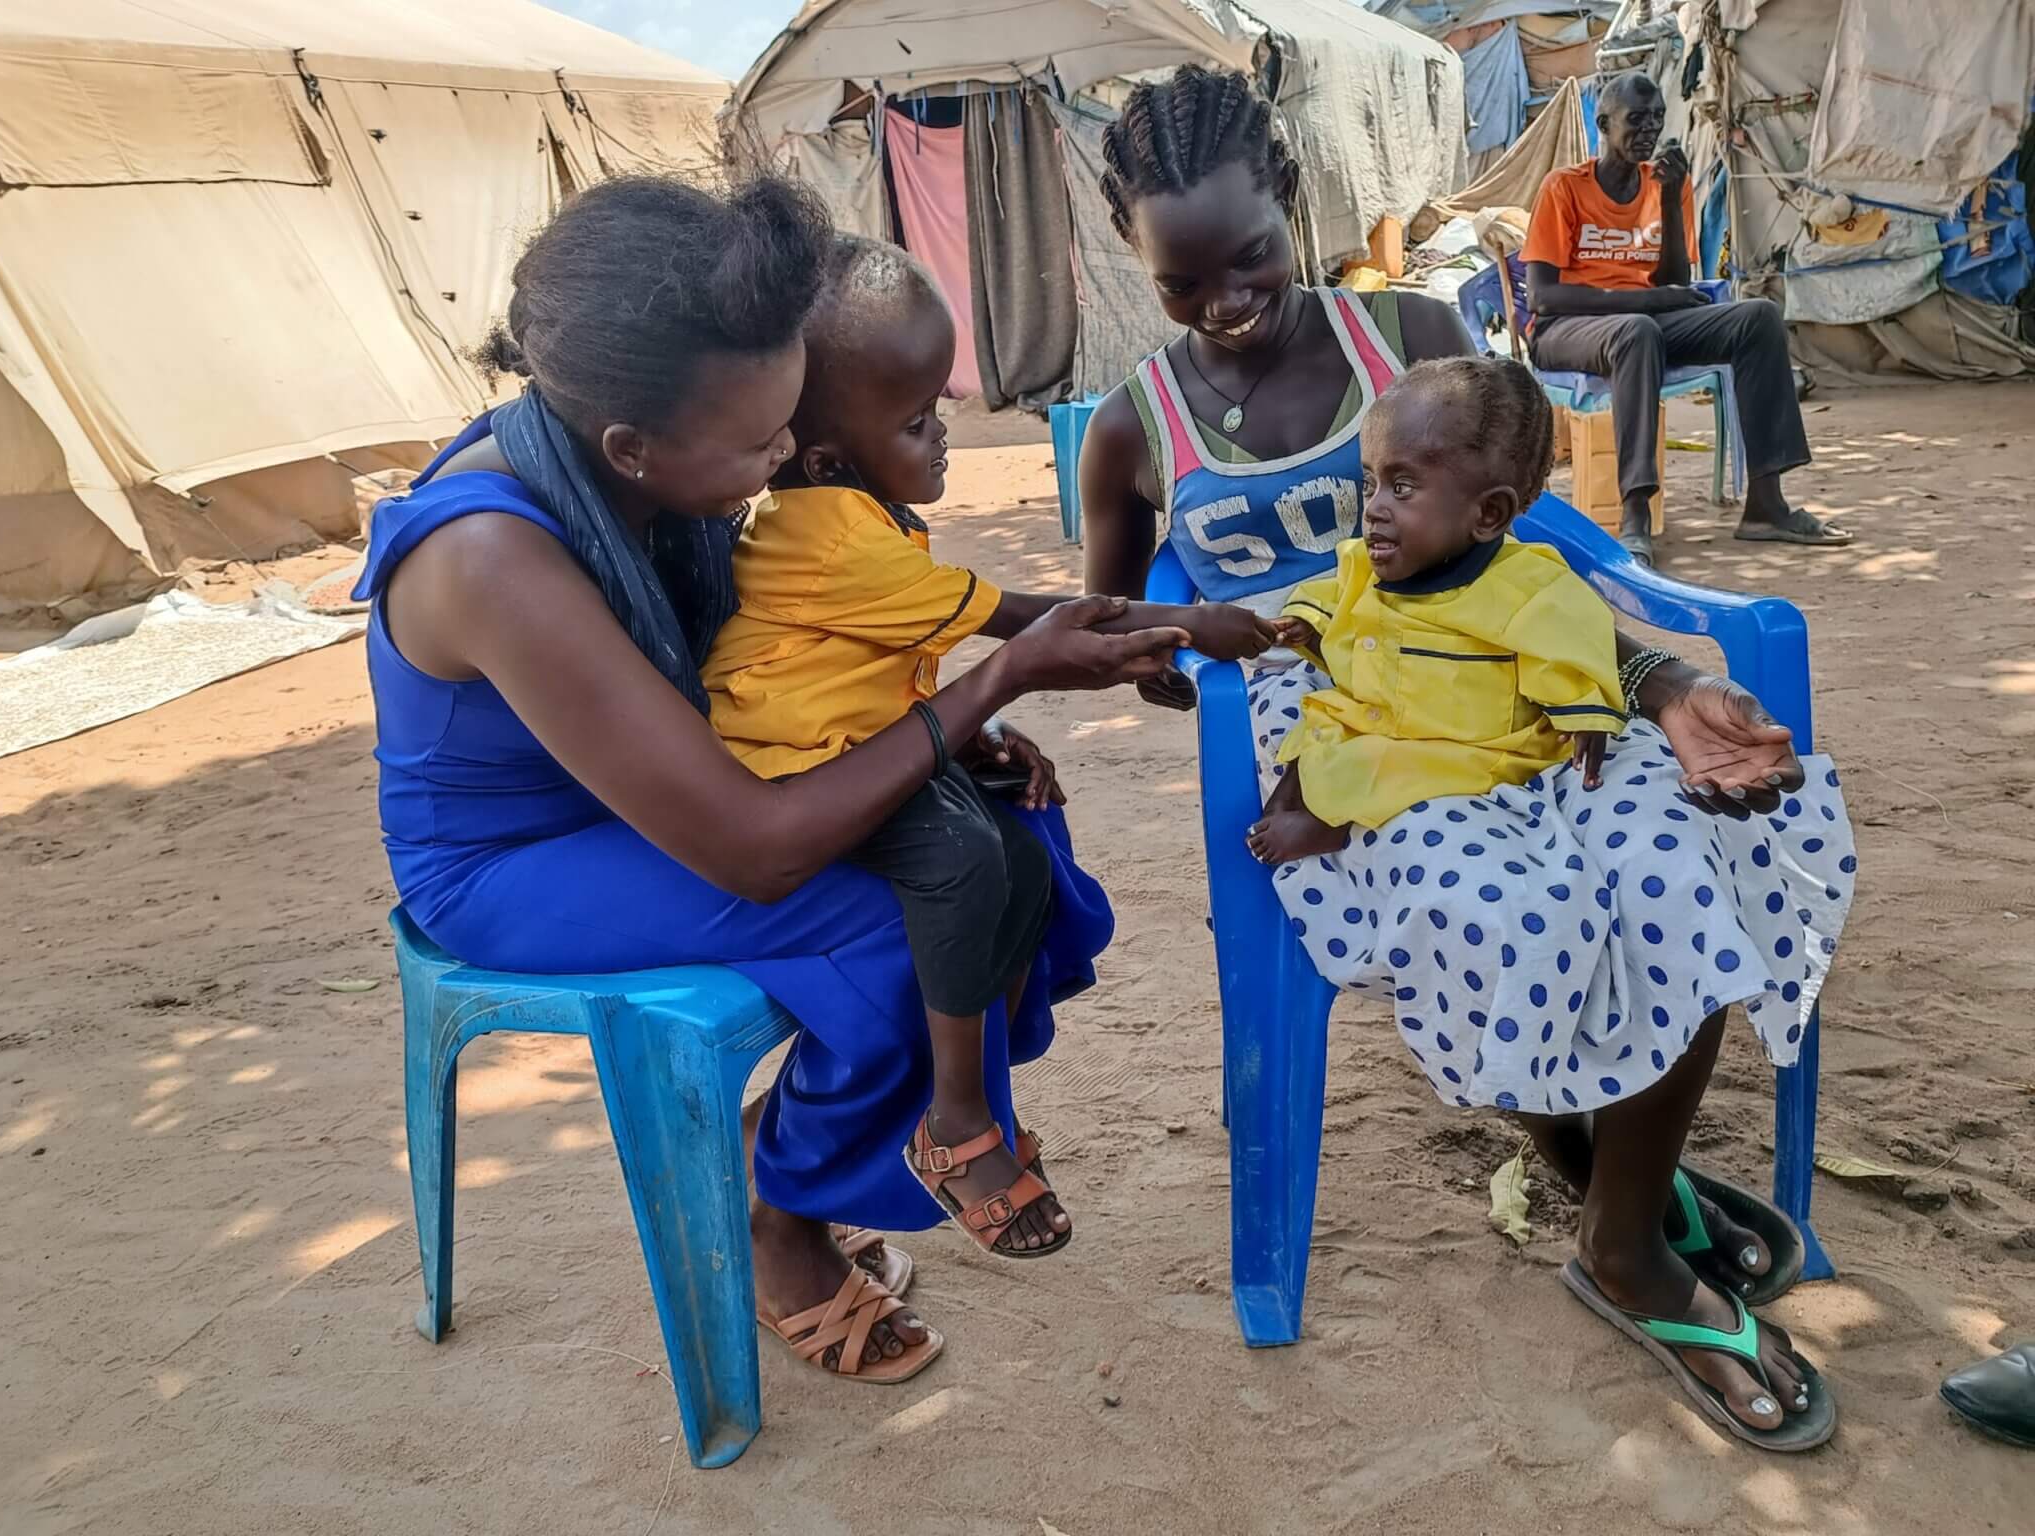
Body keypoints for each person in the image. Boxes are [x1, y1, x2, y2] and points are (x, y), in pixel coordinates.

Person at [1077, 65, 1857, 1444]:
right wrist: (1177, 647)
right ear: (1138, 261)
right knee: (1505, 901)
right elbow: (1128, 622)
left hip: (1521, 680)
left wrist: (1663, 678)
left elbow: (1528, 555)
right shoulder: (1137, 426)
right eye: (1182, 283)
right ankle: (1602, 1185)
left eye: (1250, 257)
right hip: (1338, 735)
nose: (1226, 302)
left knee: (1685, 850)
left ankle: (1617, 1220)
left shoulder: (1412, 334)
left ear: (1294, 203)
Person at [353, 175, 1185, 1385]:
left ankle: (807, 1145)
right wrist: (978, 696)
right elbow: (757, 849)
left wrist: (927, 736)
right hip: (515, 863)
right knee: (903, 921)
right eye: (758, 443)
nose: (791, 455)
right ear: (634, 448)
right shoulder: (489, 556)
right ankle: (780, 1222)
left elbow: (778, 673)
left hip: (680, 784)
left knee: (1000, 843)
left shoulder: (640, 461)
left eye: (792, 417)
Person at [704, 235, 1274, 1263]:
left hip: (844, 739)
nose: (942, 438)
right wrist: (1190, 624)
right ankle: (955, 1120)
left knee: (1011, 849)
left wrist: (978, 730)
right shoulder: (825, 533)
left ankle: (950, 1088)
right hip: (798, 771)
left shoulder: (854, 515)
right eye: (916, 421)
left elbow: (890, 670)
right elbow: (1019, 622)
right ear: (827, 459)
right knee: (965, 861)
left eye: (941, 406)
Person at [1247, 357, 1626, 867]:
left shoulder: (1529, 584)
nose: (1375, 507)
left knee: (1379, 768)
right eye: (1370, 484)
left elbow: (1570, 643)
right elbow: (1333, 594)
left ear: (1487, 514)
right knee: (1315, 738)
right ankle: (1307, 808)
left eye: (1402, 488)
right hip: (1377, 722)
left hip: (1471, 751)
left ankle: (1330, 822)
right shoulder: (1366, 563)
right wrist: (1304, 622)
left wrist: (1584, 712)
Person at [1522, 71, 1851, 564]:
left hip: (1642, 326)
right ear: (1604, 124)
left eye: (1657, 117)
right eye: (1636, 119)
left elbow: (1671, 282)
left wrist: (1673, 201)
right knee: (1636, 329)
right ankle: (1635, 515)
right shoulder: (1564, 188)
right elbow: (1543, 297)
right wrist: (1646, 304)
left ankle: (1766, 506)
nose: (1649, 129)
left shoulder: (1666, 183)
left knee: (1758, 317)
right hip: (1566, 329)